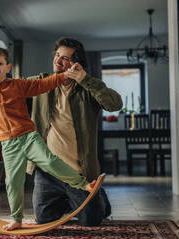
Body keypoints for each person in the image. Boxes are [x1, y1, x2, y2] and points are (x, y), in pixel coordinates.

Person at [0, 47, 97, 231]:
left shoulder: (18, 85)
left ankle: (84, 184)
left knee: (49, 161)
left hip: (28, 137)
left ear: (8, 66)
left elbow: (45, 84)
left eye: (0, 64)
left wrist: (65, 75)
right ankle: (16, 218)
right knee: (13, 181)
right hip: (8, 144)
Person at [28, 37, 123, 226]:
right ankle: (66, 200)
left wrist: (85, 79)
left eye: (64, 58)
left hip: (80, 173)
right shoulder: (41, 83)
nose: (57, 60)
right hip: (48, 172)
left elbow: (115, 104)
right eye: (57, 55)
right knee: (43, 219)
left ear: (75, 63)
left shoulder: (87, 88)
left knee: (91, 220)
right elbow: (11, 86)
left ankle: (98, 198)